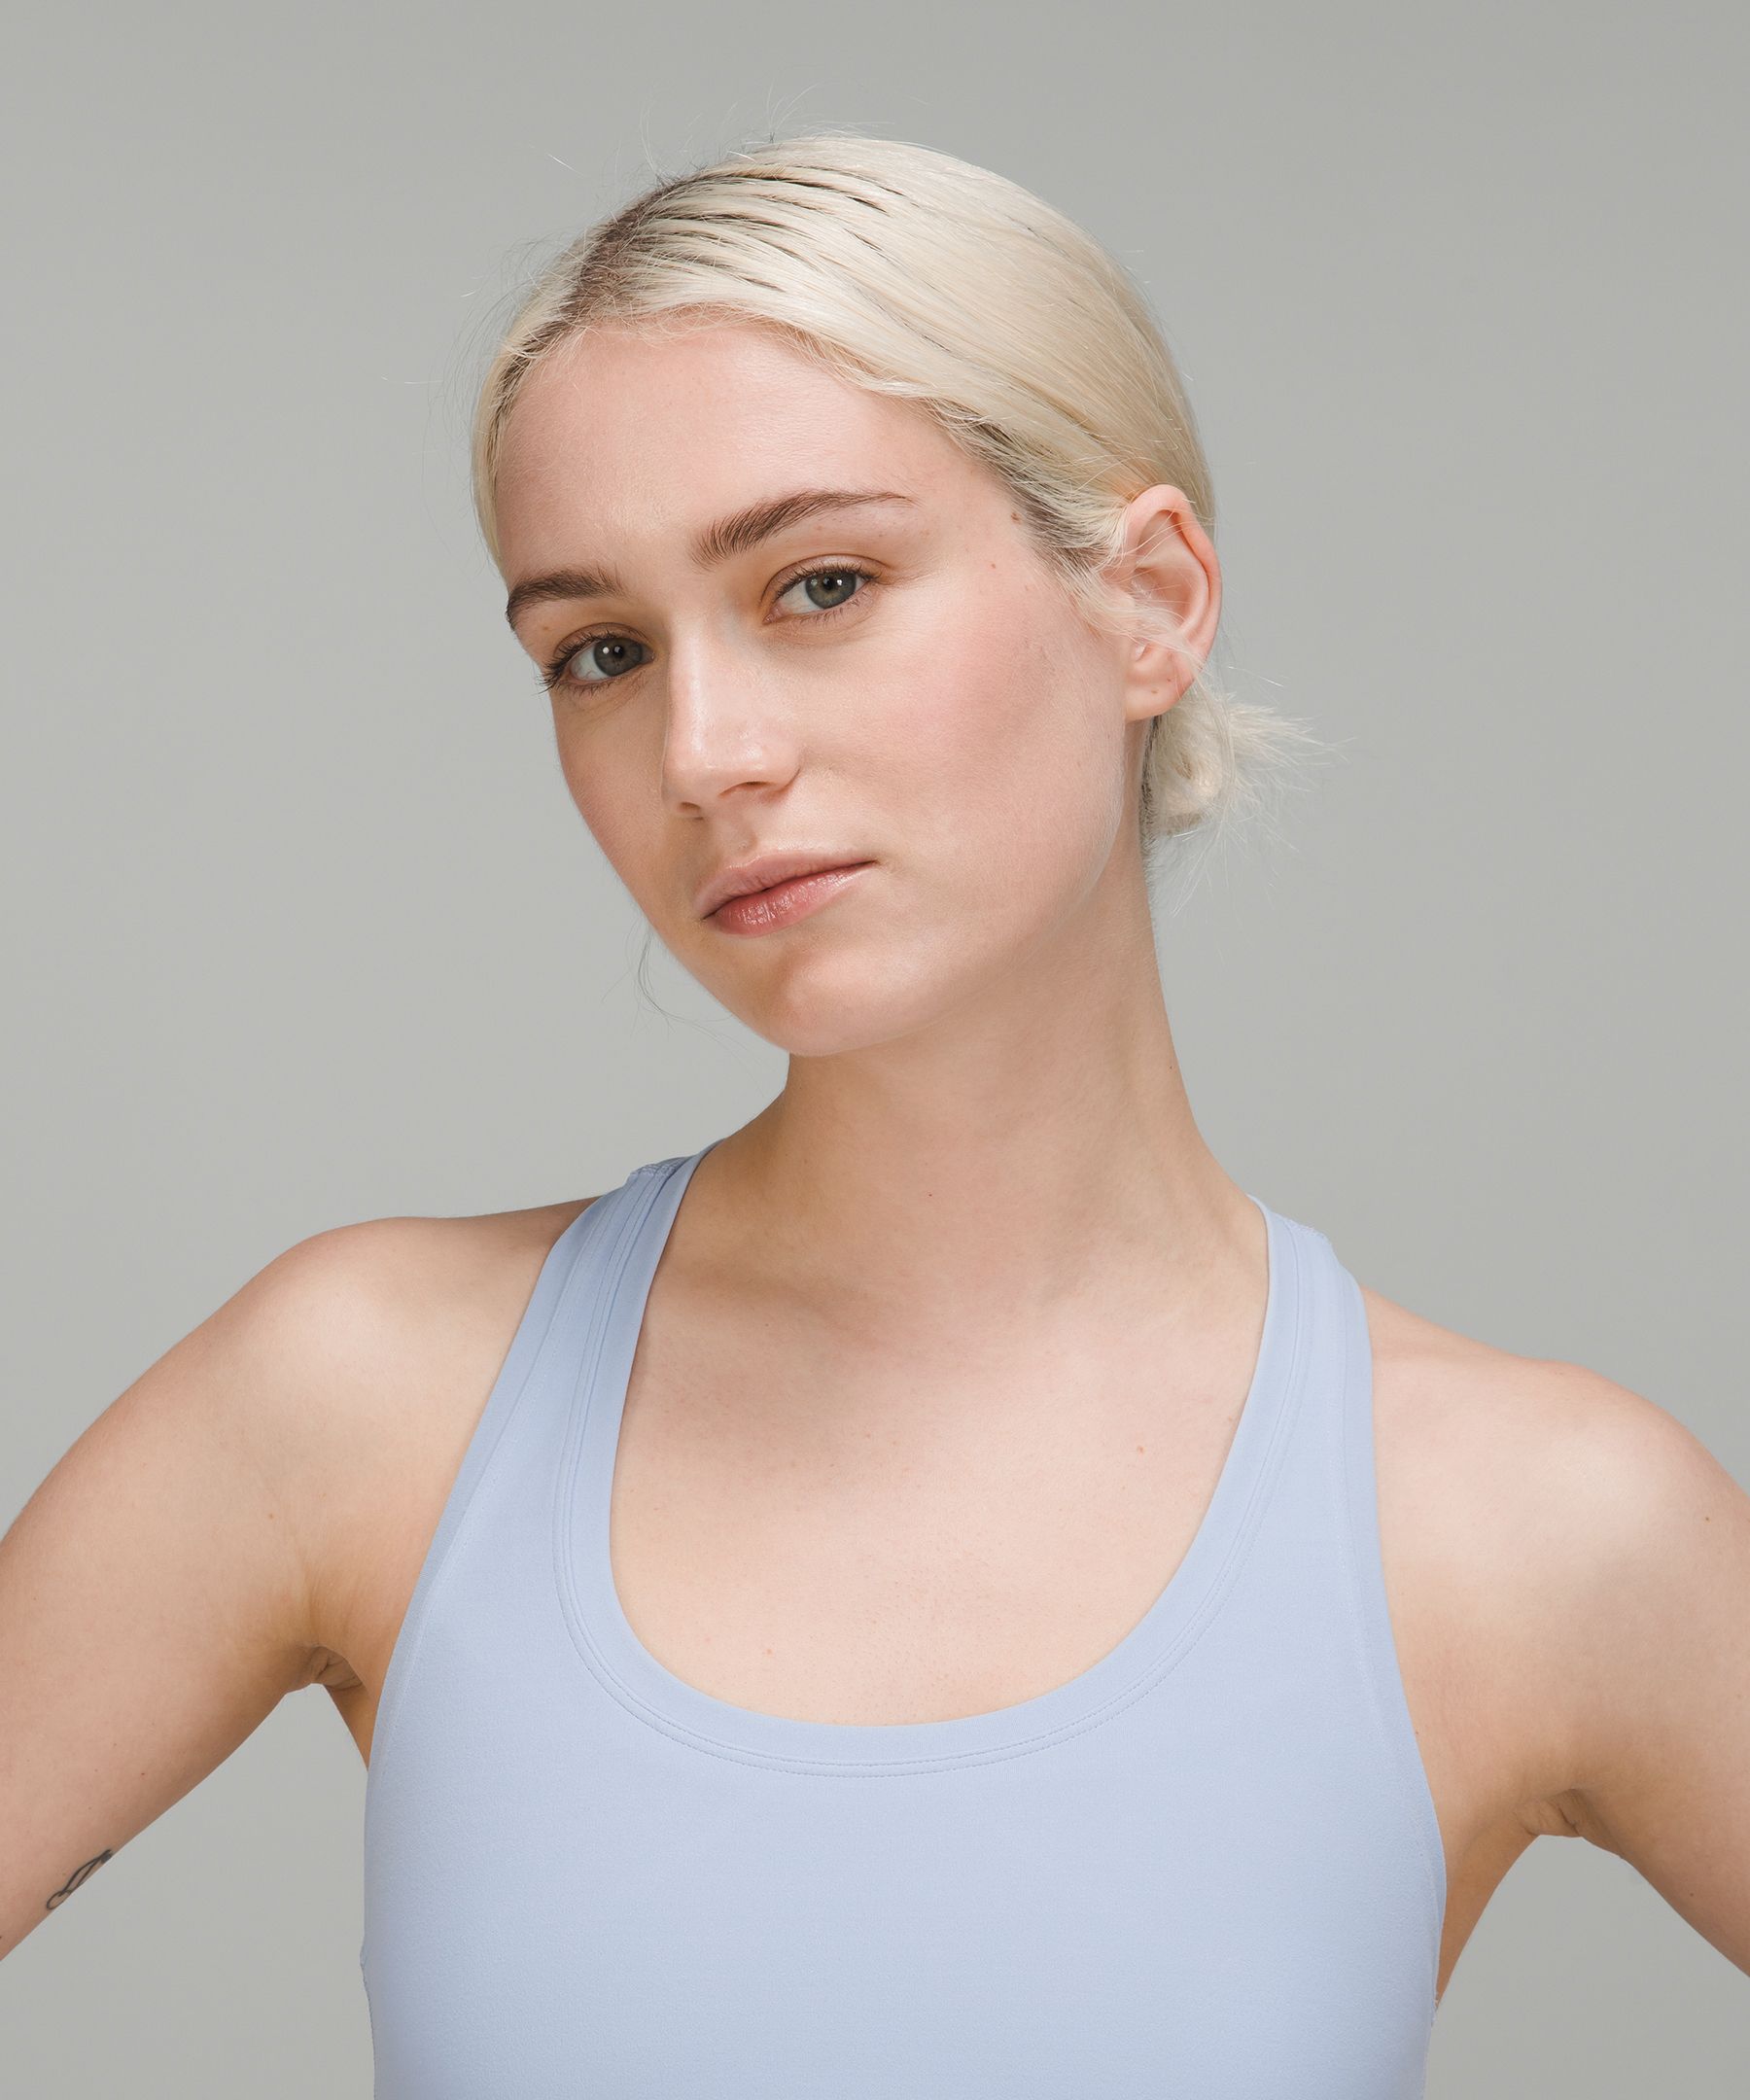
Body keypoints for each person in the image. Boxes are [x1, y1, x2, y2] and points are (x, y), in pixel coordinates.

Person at [3, 130, 1746, 2097]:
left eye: (820, 584)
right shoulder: (366, 1403)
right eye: (600, 652)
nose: (704, 751)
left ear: (1151, 601)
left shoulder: (1530, 1529)